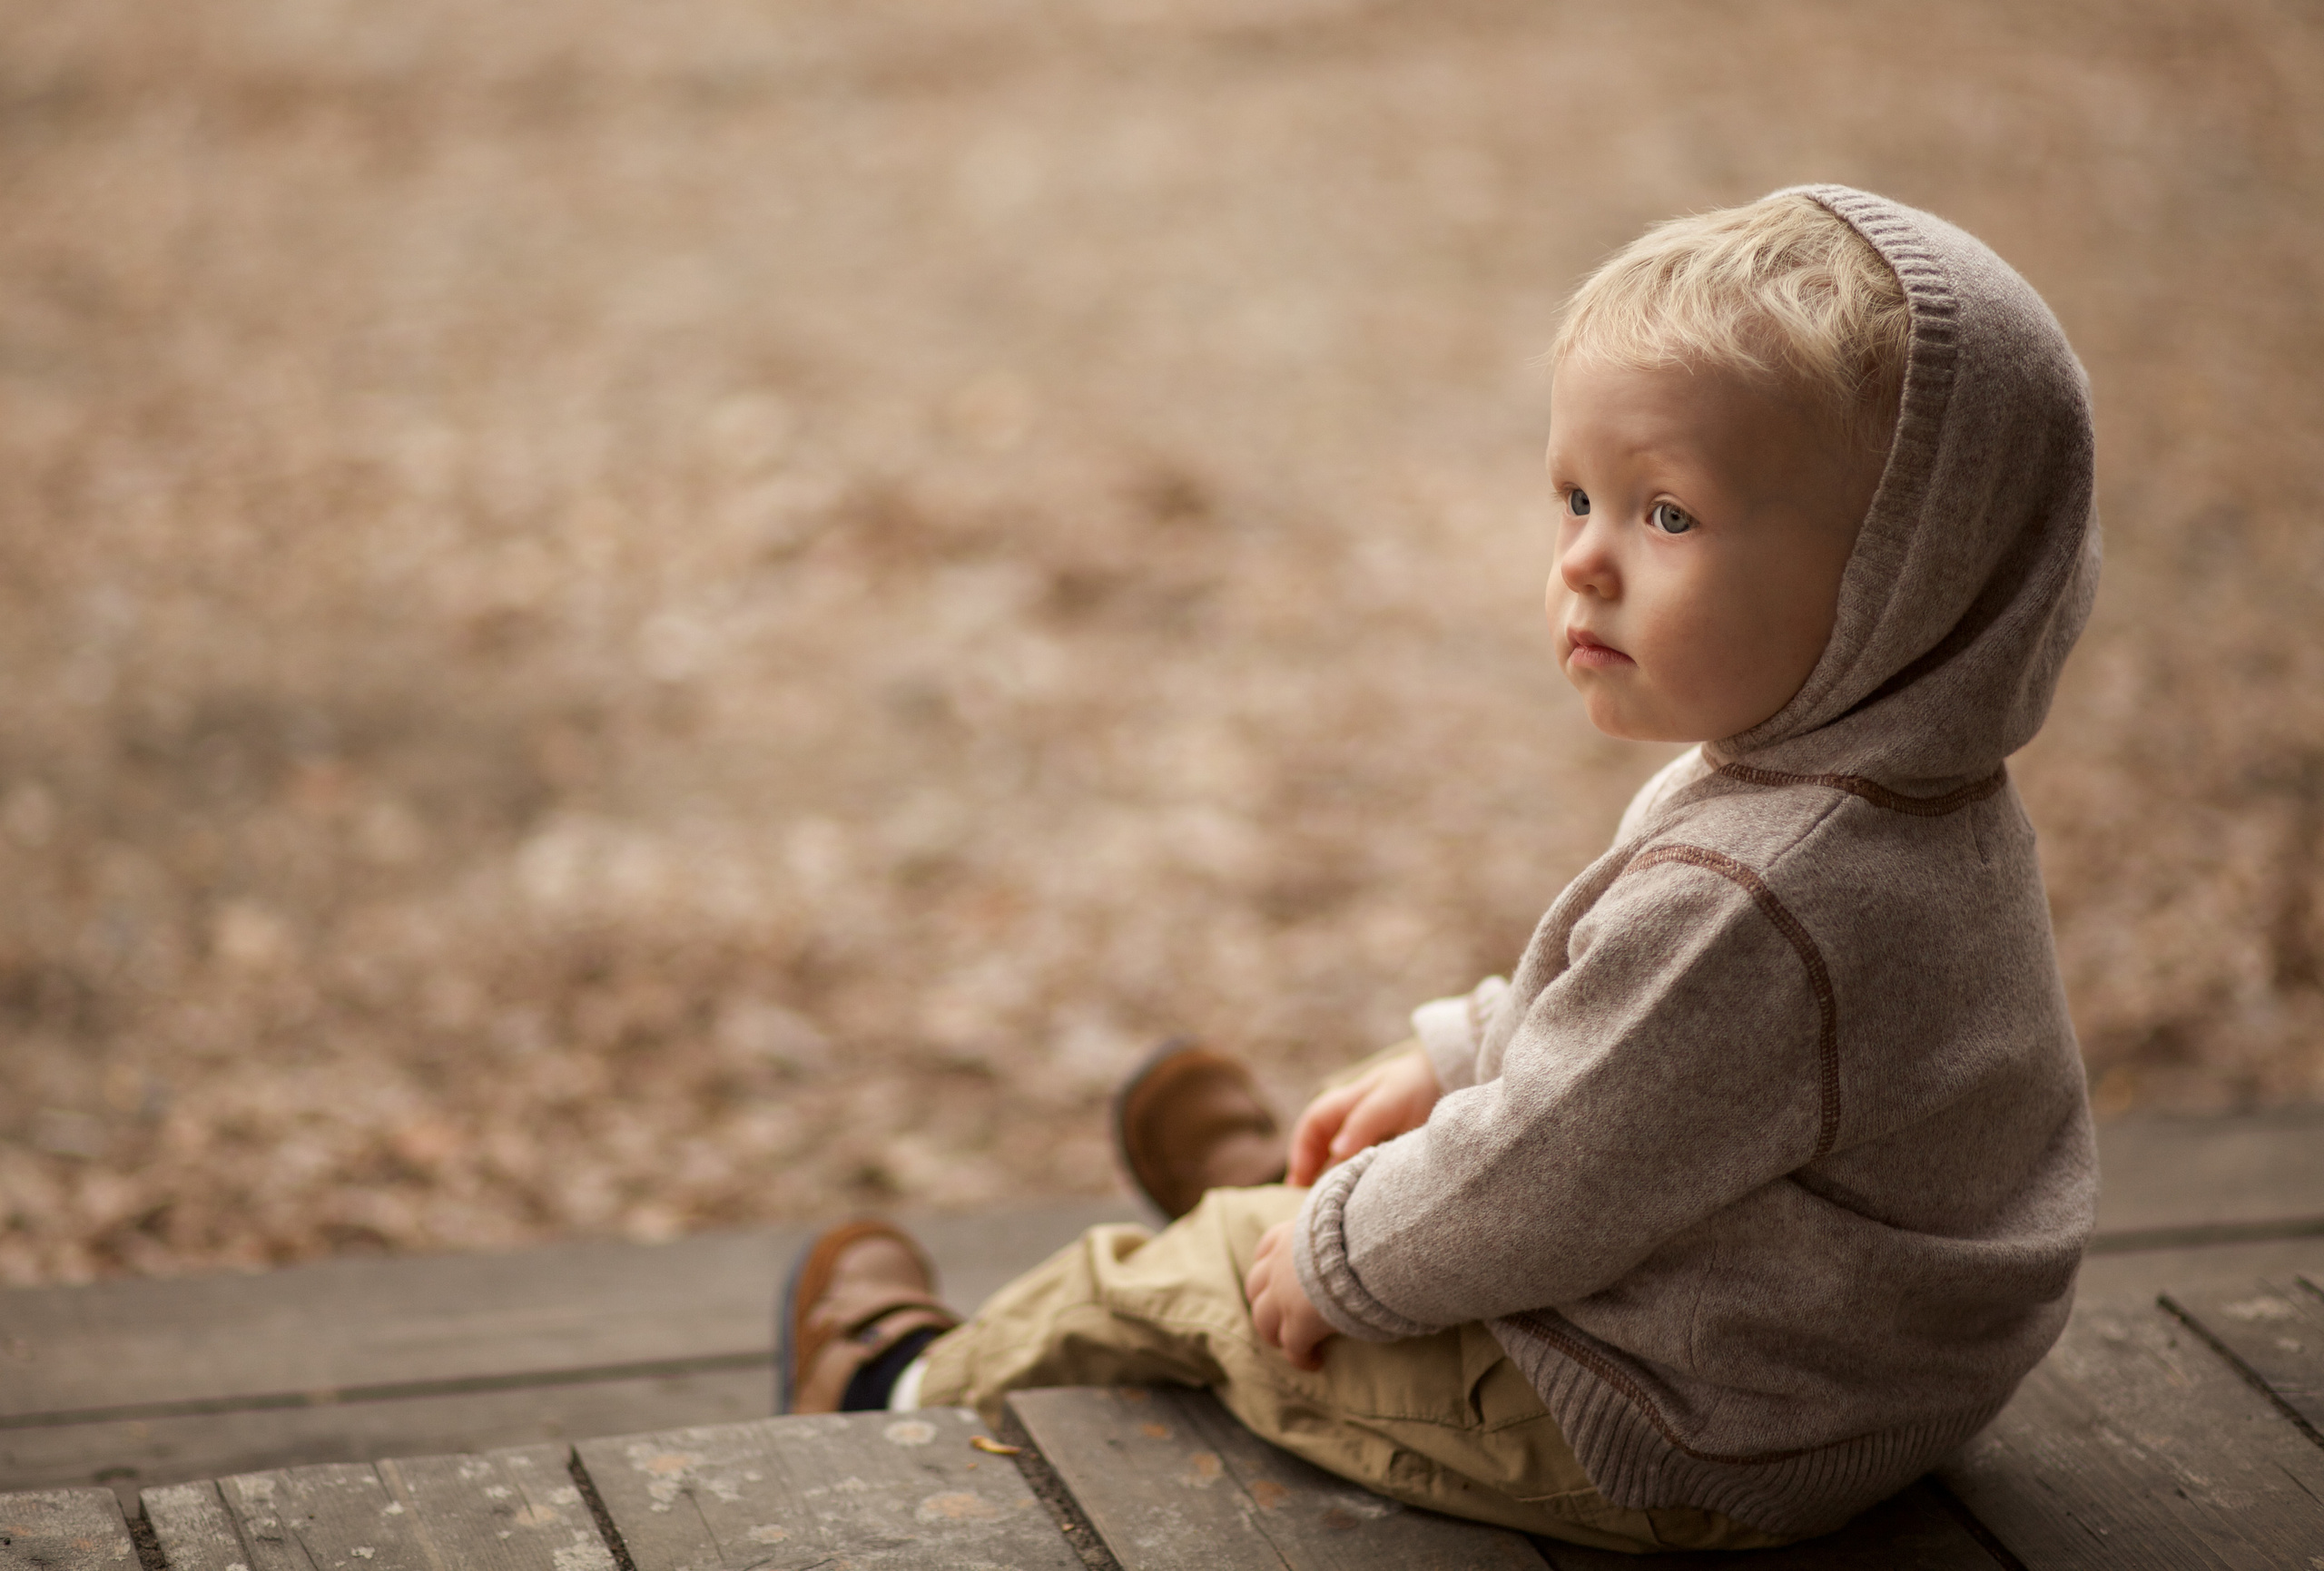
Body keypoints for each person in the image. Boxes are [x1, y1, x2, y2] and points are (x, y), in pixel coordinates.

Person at [773, 184, 2100, 1552]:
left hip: (1669, 1426)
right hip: (1860, 1378)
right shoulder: (1907, 790)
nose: (1584, 560)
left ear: (1905, 575)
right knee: (1425, 1184)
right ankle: (1332, 1190)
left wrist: (1346, 1259)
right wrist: (1462, 1057)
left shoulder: (1756, 901)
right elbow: (1656, 1063)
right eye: (1577, 497)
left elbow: (1557, 1166)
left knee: (1194, 1284)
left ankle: (899, 1381)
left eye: (1670, 517)